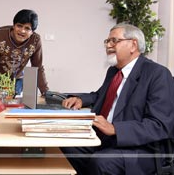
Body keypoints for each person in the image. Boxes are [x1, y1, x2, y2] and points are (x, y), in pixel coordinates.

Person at [61, 23, 174, 175]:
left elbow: (160, 125)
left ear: (133, 44)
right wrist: (81, 99)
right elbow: (100, 95)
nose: (108, 45)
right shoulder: (113, 71)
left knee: (101, 162)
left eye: (114, 41)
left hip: (141, 147)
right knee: (65, 145)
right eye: (107, 41)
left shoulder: (158, 74)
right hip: (108, 139)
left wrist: (115, 129)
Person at [0, 9, 49, 96]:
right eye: (19, 26)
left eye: (27, 28)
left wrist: (45, 92)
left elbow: (37, 67)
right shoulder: (0, 34)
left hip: (16, 82)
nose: (22, 31)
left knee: (14, 108)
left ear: (32, 32)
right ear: (14, 26)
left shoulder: (35, 40)